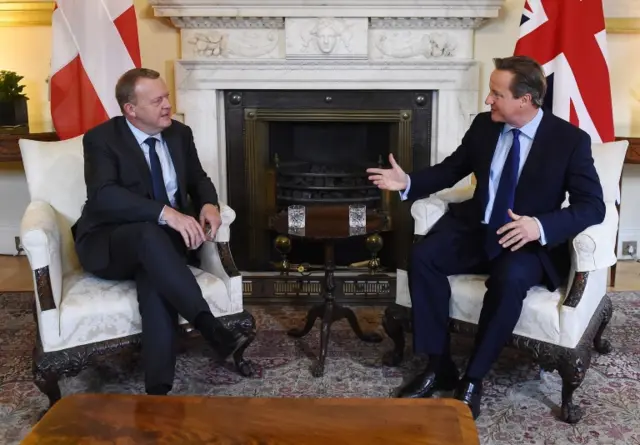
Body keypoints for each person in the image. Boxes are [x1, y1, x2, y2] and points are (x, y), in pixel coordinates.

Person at [366, 55, 605, 419]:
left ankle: (473, 379)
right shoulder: (484, 126)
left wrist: (538, 226)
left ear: (524, 100)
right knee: (424, 256)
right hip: (476, 229)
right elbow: (452, 169)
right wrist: (409, 182)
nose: (488, 100)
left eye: (496, 94)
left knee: (509, 280)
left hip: (524, 241)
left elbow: (592, 207)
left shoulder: (569, 141)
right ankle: (438, 365)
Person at [71, 68, 247, 396]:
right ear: (131, 110)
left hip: (162, 248)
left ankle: (158, 389)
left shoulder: (179, 134)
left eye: (166, 96)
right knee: (148, 236)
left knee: (156, 279)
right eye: (157, 100)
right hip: (109, 243)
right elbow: (104, 195)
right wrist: (166, 213)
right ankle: (210, 327)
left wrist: (209, 204)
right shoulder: (101, 139)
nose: (168, 105)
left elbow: (198, 178)